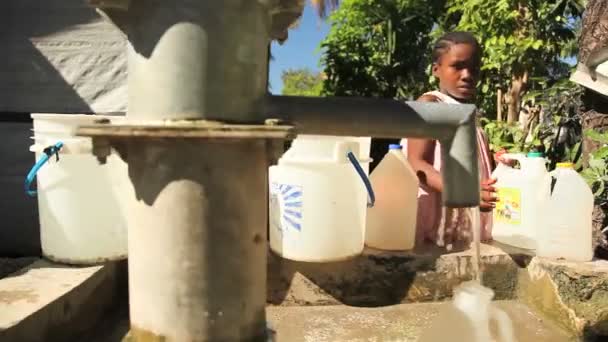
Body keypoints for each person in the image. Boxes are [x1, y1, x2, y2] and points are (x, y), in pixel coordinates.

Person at [405, 31, 499, 248]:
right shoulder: (431, 104)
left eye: (474, 68)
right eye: (458, 66)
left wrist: (495, 159)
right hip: (434, 227)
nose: (467, 75)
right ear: (436, 69)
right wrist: (463, 193)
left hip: (463, 227)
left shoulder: (469, 114)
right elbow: (416, 163)